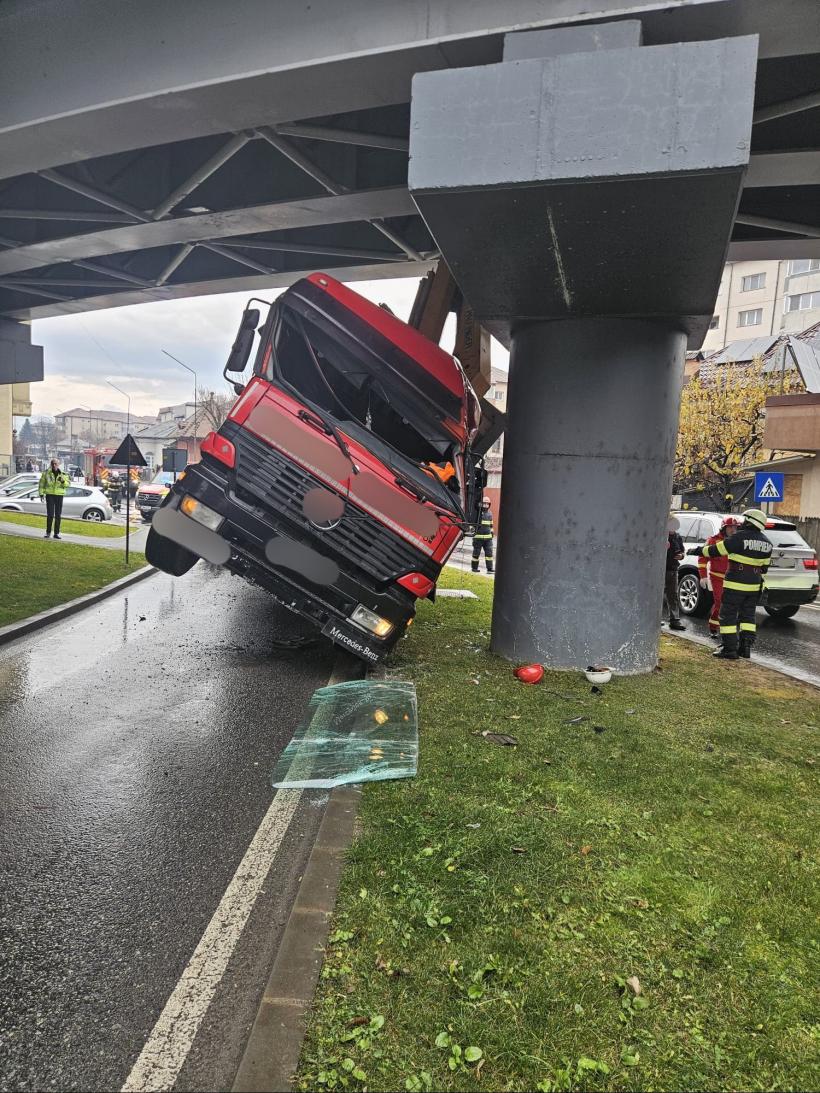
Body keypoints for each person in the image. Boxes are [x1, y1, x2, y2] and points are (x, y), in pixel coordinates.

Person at [702, 508, 772, 660]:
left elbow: (716, 550)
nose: (742, 524)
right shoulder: (768, 543)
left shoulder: (738, 538)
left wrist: (698, 551)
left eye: (745, 520)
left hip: (735, 585)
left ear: (750, 521)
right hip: (754, 587)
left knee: (728, 616)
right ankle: (745, 648)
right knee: (748, 617)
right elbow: (764, 568)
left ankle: (729, 649)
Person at [698, 515, 740, 638]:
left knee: (732, 604)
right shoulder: (713, 540)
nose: (733, 530)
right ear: (724, 528)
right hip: (717, 577)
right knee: (720, 602)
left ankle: (727, 628)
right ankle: (713, 626)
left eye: (735, 527)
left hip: (733, 578)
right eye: (730, 527)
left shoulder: (737, 542)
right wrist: (703, 576)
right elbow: (703, 558)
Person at [39, 457, 71, 539]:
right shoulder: (46, 473)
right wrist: (41, 494)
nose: (54, 465)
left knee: (58, 515)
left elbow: (68, 485)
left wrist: (63, 481)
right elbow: (41, 484)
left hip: (59, 495)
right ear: (51, 464)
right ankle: (48, 532)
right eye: (52, 463)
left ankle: (56, 533)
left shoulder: (63, 474)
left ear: (59, 464)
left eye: (56, 463)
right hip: (50, 495)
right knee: (50, 514)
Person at [664, 515, 686, 630]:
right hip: (662, 570)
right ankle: (656, 618)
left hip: (673, 569)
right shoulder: (662, 535)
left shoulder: (677, 537)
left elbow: (682, 550)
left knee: (672, 596)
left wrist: (681, 556)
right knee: (657, 596)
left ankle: (675, 620)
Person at [472, 497, 494, 573]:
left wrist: (492, 532)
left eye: (487, 504)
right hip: (478, 538)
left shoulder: (490, 513)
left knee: (489, 554)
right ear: (481, 504)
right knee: (476, 554)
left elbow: (491, 525)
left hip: (488, 539)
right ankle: (474, 568)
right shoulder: (477, 513)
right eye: (484, 503)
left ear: (489, 505)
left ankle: (490, 569)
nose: (485, 505)